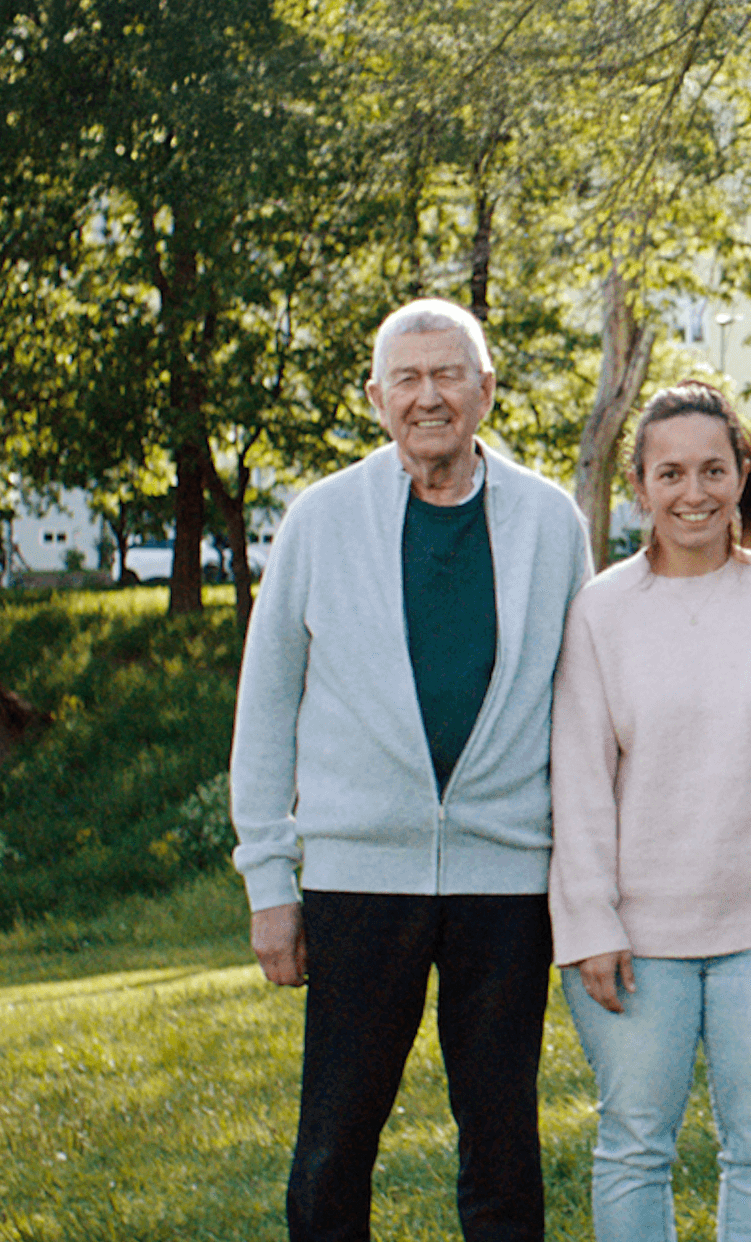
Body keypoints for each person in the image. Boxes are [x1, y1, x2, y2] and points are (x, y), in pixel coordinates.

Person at [230, 298, 592, 1242]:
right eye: (408, 378)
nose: (430, 396)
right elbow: (267, 705)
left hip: (509, 883)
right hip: (357, 879)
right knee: (336, 1140)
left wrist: (590, 875)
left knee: (504, 1139)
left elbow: (586, 709)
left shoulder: (552, 522)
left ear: (487, 388)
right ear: (377, 396)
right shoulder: (320, 519)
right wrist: (271, 880)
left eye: (449, 374)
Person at [549, 381, 751, 1242]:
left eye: (714, 470)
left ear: (740, 476)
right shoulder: (601, 610)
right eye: (671, 473)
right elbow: (578, 775)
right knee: (634, 1142)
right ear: (639, 487)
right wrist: (591, 920)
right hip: (632, 938)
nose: (695, 492)